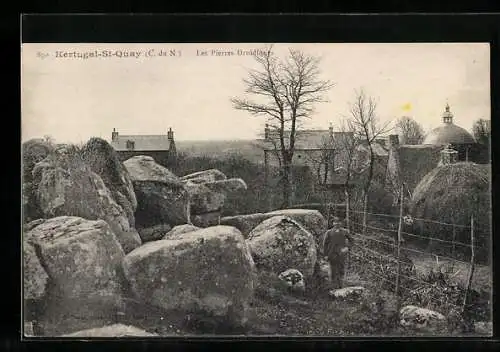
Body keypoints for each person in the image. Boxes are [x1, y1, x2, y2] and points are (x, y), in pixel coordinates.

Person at [321, 217, 352, 289]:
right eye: (335, 222)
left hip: (342, 254)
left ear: (341, 223)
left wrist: (347, 248)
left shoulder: (345, 231)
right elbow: (325, 244)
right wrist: (325, 255)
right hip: (331, 254)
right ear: (332, 223)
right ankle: (333, 287)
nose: (337, 224)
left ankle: (341, 286)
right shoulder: (329, 232)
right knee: (333, 271)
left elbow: (352, 241)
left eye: (338, 222)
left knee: (341, 270)